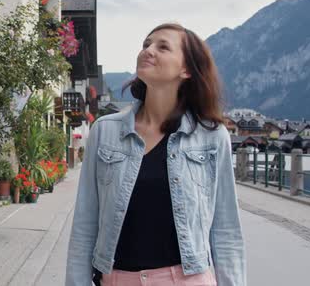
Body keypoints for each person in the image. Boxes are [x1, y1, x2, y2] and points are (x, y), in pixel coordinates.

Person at [65, 23, 246, 286]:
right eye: (146, 44)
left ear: (186, 70)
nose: (148, 51)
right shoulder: (105, 131)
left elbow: (226, 230)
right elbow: (85, 224)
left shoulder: (212, 136)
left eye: (162, 47)